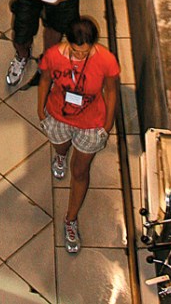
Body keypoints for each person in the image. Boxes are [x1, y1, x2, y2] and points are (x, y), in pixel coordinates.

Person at [38, 16, 119, 253]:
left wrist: (107, 123)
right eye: (75, 51)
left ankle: (70, 219)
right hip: (58, 115)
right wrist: (40, 110)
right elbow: (44, 80)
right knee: (60, 147)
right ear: (68, 43)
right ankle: (61, 156)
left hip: (91, 123)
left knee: (80, 171)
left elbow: (111, 91)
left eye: (85, 52)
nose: (80, 56)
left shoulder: (106, 61)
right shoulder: (53, 55)